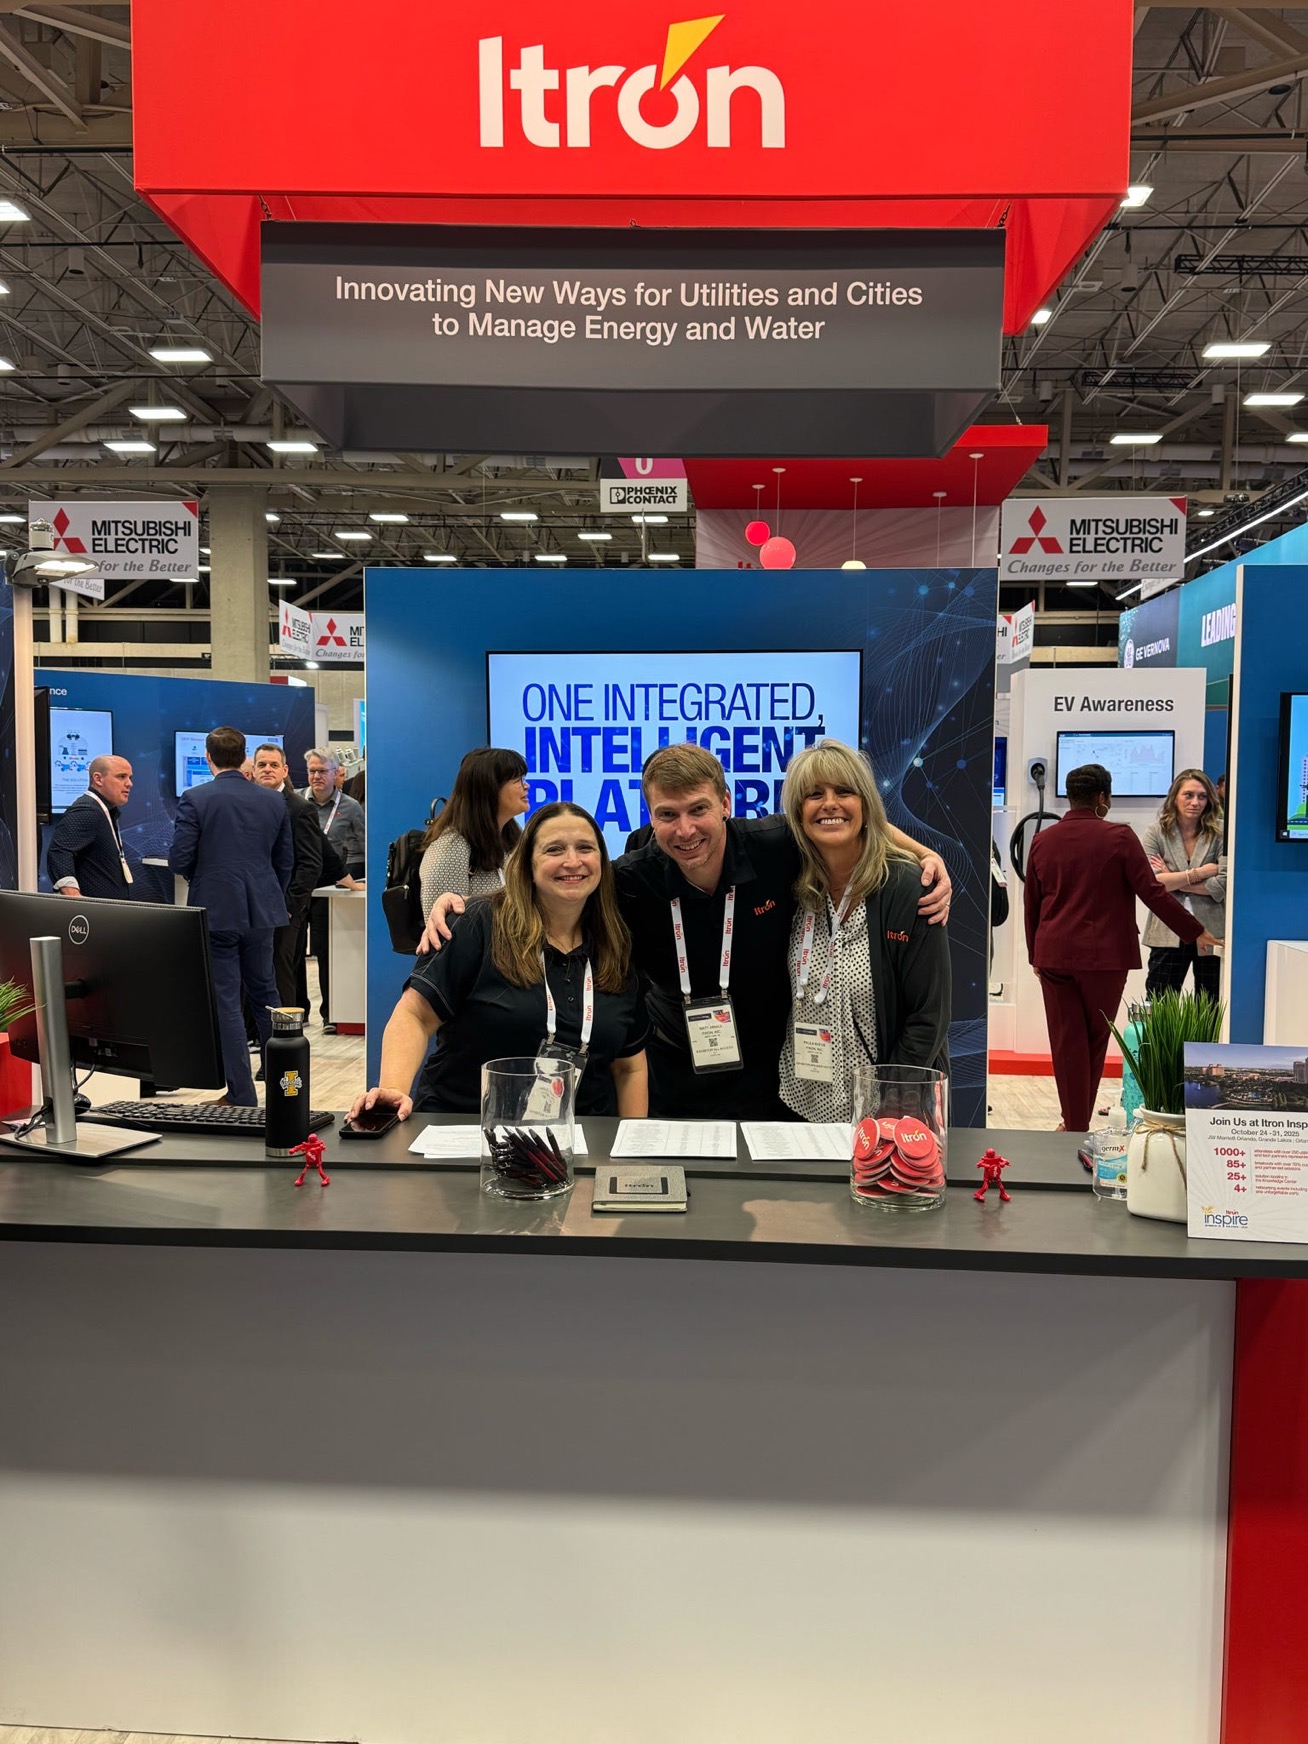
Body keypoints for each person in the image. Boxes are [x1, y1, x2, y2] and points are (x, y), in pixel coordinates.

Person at [425, 743, 952, 1119]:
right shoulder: (629, 880)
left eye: (699, 809)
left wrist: (926, 854)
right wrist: (465, 905)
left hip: (770, 1079)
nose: (685, 829)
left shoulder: (774, 846)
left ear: (725, 803)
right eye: (667, 814)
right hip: (670, 1072)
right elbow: (557, 893)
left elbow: (842, 818)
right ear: (650, 817)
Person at [353, 802, 648, 1120]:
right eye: (554, 849)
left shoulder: (616, 944)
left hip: (577, 1137)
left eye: (585, 848)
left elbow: (629, 1067)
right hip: (465, 1128)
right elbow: (415, 1015)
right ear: (528, 863)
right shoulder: (478, 924)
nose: (572, 861)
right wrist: (394, 1089)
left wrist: (632, 1144)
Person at [1024, 763, 1218, 1134]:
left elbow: (1031, 902)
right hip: (1106, 957)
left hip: (1054, 953)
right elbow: (1151, 892)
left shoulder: (1042, 840)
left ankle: (1074, 1123)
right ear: (1102, 797)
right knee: (1096, 1039)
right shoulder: (1119, 836)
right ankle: (1076, 1123)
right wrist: (1194, 931)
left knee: (1066, 1043)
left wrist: (1035, 952)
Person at [778, 741, 951, 1123]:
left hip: (890, 1112)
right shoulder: (793, 886)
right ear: (798, 812)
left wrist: (889, 1109)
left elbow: (928, 1016)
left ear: (866, 804)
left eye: (844, 791)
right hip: (800, 1105)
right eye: (814, 795)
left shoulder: (909, 889)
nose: (829, 804)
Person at [168, 727, 293, 1106]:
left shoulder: (195, 799)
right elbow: (285, 861)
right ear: (244, 757)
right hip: (262, 911)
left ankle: (241, 1095)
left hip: (217, 910)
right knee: (267, 995)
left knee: (226, 1002)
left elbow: (179, 859)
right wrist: (267, 894)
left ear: (208, 758)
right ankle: (286, 1087)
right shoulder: (273, 801)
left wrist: (205, 879)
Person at [1141, 767, 1225, 1003]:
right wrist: (1200, 873)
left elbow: (1222, 884)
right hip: (1167, 929)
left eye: (1202, 796)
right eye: (1188, 795)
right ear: (1175, 797)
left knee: (1209, 1006)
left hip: (1211, 930)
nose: (1195, 802)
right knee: (1158, 1004)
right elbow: (1152, 883)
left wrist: (1174, 879)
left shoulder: (1221, 832)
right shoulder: (1156, 832)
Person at [251, 741, 323, 1013]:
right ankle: (256, 1030)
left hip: (285, 909)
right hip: (252, 904)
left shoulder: (300, 808)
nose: (267, 769)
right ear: (254, 770)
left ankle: (285, 1030)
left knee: (280, 969)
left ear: (285, 770)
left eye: (273, 765)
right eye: (262, 764)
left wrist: (290, 906)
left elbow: (310, 864)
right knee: (254, 970)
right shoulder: (248, 804)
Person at [418, 747, 529, 917]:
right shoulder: (451, 848)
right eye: (517, 780)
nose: (526, 786)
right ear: (490, 787)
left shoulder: (512, 837)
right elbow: (441, 924)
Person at [304, 746, 366, 1032]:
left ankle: (331, 1014)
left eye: (322, 771)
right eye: (312, 771)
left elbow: (364, 843)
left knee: (325, 951)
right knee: (292, 954)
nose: (316, 776)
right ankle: (297, 1011)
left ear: (336, 773)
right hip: (298, 884)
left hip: (331, 883)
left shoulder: (350, 806)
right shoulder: (297, 802)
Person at [46, 754, 135, 900]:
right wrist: (73, 896)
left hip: (105, 908)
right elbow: (60, 852)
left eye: (130, 777)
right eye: (121, 777)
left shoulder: (104, 810)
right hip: (91, 911)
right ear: (98, 779)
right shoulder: (87, 810)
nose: (129, 783)